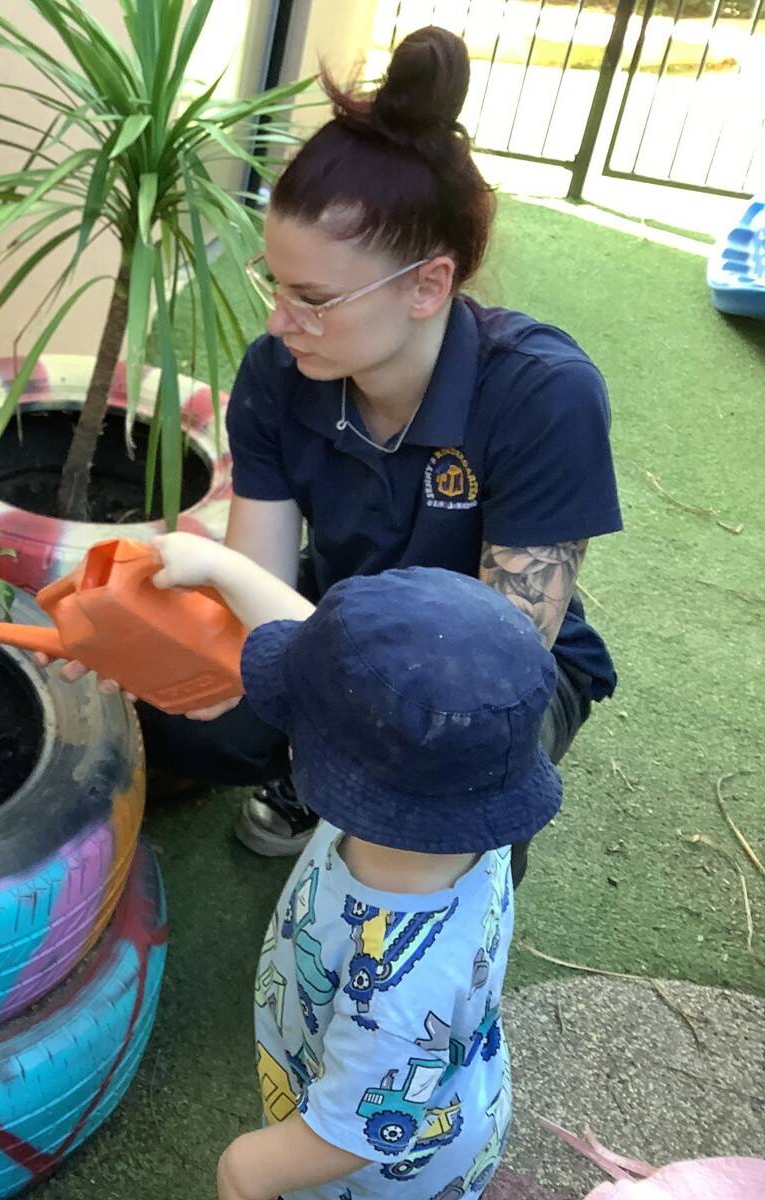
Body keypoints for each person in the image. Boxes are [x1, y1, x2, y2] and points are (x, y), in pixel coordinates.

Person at [122, 26, 620, 885]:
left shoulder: (545, 394)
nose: (281, 321)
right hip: (340, 607)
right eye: (274, 285)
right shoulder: (283, 370)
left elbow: (493, 672)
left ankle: (377, 826)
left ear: (428, 285)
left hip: (485, 676)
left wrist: (290, 661)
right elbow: (256, 598)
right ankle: (314, 771)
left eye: (314, 299)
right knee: (180, 698)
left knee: (444, 775)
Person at [146, 532, 551, 1200]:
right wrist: (220, 567)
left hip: (376, 1179)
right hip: (444, 1097)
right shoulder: (461, 807)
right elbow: (334, 663)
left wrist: (246, 1172)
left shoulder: (401, 991)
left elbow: (349, 1135)